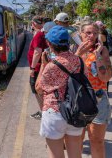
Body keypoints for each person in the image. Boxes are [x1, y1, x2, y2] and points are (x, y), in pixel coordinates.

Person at [35, 25, 83, 158]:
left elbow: (39, 88)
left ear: (49, 44)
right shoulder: (79, 61)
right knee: (76, 155)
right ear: (68, 43)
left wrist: (43, 65)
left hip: (54, 112)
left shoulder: (51, 65)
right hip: (75, 111)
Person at [75, 22, 112, 158]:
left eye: (95, 33)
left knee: (97, 140)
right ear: (81, 34)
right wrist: (79, 54)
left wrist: (97, 57)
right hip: (78, 99)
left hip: (98, 99)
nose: (91, 36)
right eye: (88, 33)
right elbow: (68, 73)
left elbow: (106, 77)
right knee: (76, 140)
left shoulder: (102, 51)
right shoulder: (73, 50)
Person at [27, 15, 48, 119]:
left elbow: (37, 52)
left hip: (38, 67)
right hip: (41, 66)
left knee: (36, 89)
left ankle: (44, 113)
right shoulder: (42, 33)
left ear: (33, 23)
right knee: (39, 89)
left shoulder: (39, 34)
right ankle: (44, 111)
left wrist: (32, 68)